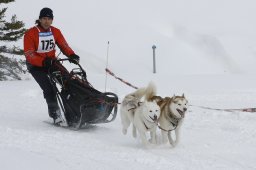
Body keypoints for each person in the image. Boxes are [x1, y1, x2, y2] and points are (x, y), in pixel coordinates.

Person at [23, 7, 80, 124]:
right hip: (36, 66)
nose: (46, 21)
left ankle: (76, 112)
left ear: (52, 20)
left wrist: (72, 55)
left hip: (52, 62)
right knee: (49, 89)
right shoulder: (30, 33)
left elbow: (64, 45)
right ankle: (56, 115)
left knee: (69, 82)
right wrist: (42, 62)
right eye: (44, 18)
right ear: (39, 19)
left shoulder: (55, 31)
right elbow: (29, 54)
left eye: (49, 19)